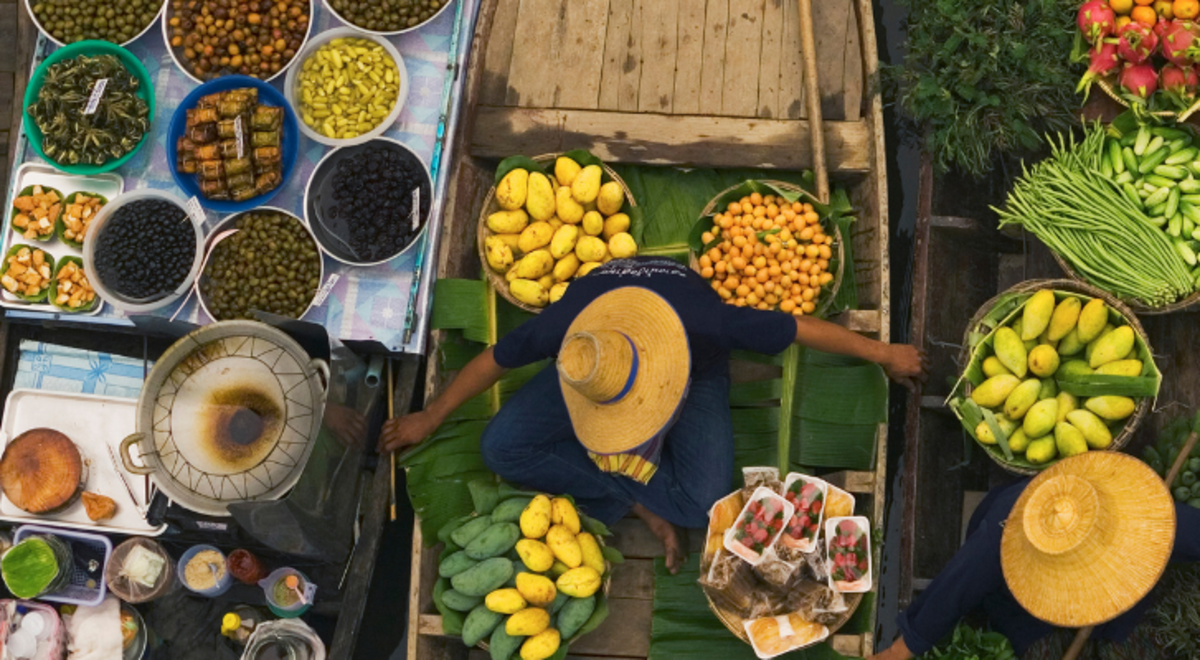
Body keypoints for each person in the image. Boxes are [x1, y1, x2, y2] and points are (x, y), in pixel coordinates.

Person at [381, 256, 925, 572]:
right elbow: (492, 361)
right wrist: (430, 415)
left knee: (700, 505)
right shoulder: (566, 330)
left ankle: (628, 487)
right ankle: (635, 498)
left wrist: (884, 353)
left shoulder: (705, 322)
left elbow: (796, 327)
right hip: (597, 366)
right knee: (500, 446)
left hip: (693, 367)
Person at [870, 451, 1199, 660]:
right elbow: (954, 588)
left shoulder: (1139, 517)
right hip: (1024, 611)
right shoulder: (1002, 539)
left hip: (1116, 602)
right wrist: (901, 650)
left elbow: (1191, 532)